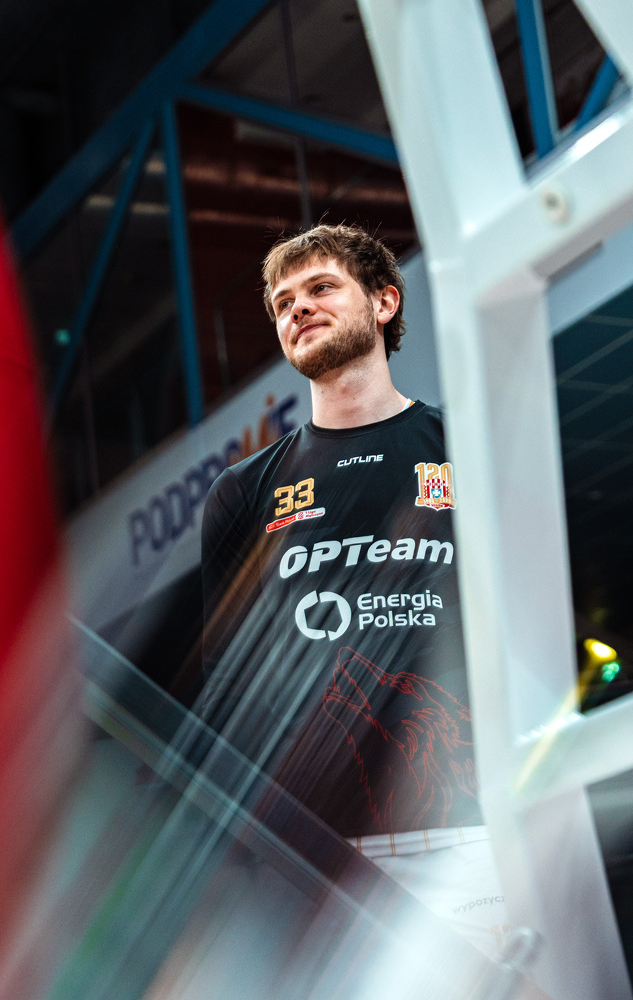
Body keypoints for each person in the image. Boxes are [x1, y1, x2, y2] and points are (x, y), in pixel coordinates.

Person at [200, 223, 509, 957]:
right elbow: (228, 685)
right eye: (283, 303)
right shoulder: (242, 492)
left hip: (470, 831)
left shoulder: (466, 444)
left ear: (383, 302)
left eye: (320, 288)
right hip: (316, 855)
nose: (298, 308)